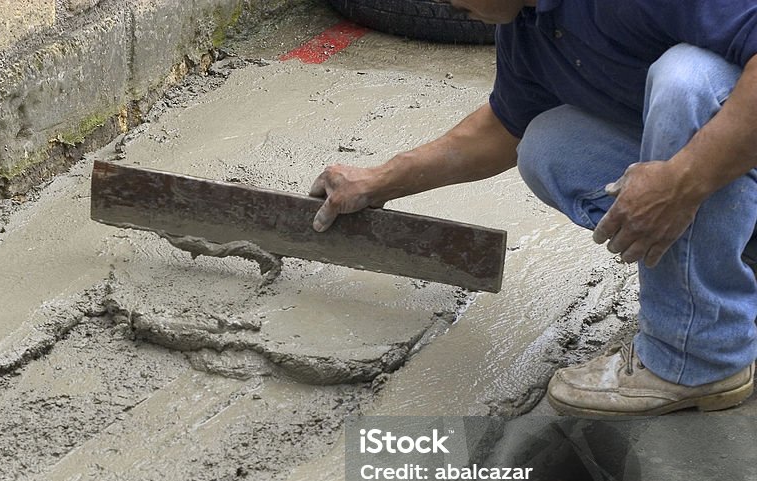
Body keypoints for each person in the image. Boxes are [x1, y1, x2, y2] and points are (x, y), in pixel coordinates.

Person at [309, 0, 757, 417]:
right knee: (549, 145)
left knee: (687, 78)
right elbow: (501, 131)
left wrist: (682, 179)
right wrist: (379, 180)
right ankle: (733, 269)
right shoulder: (529, 26)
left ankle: (697, 360)